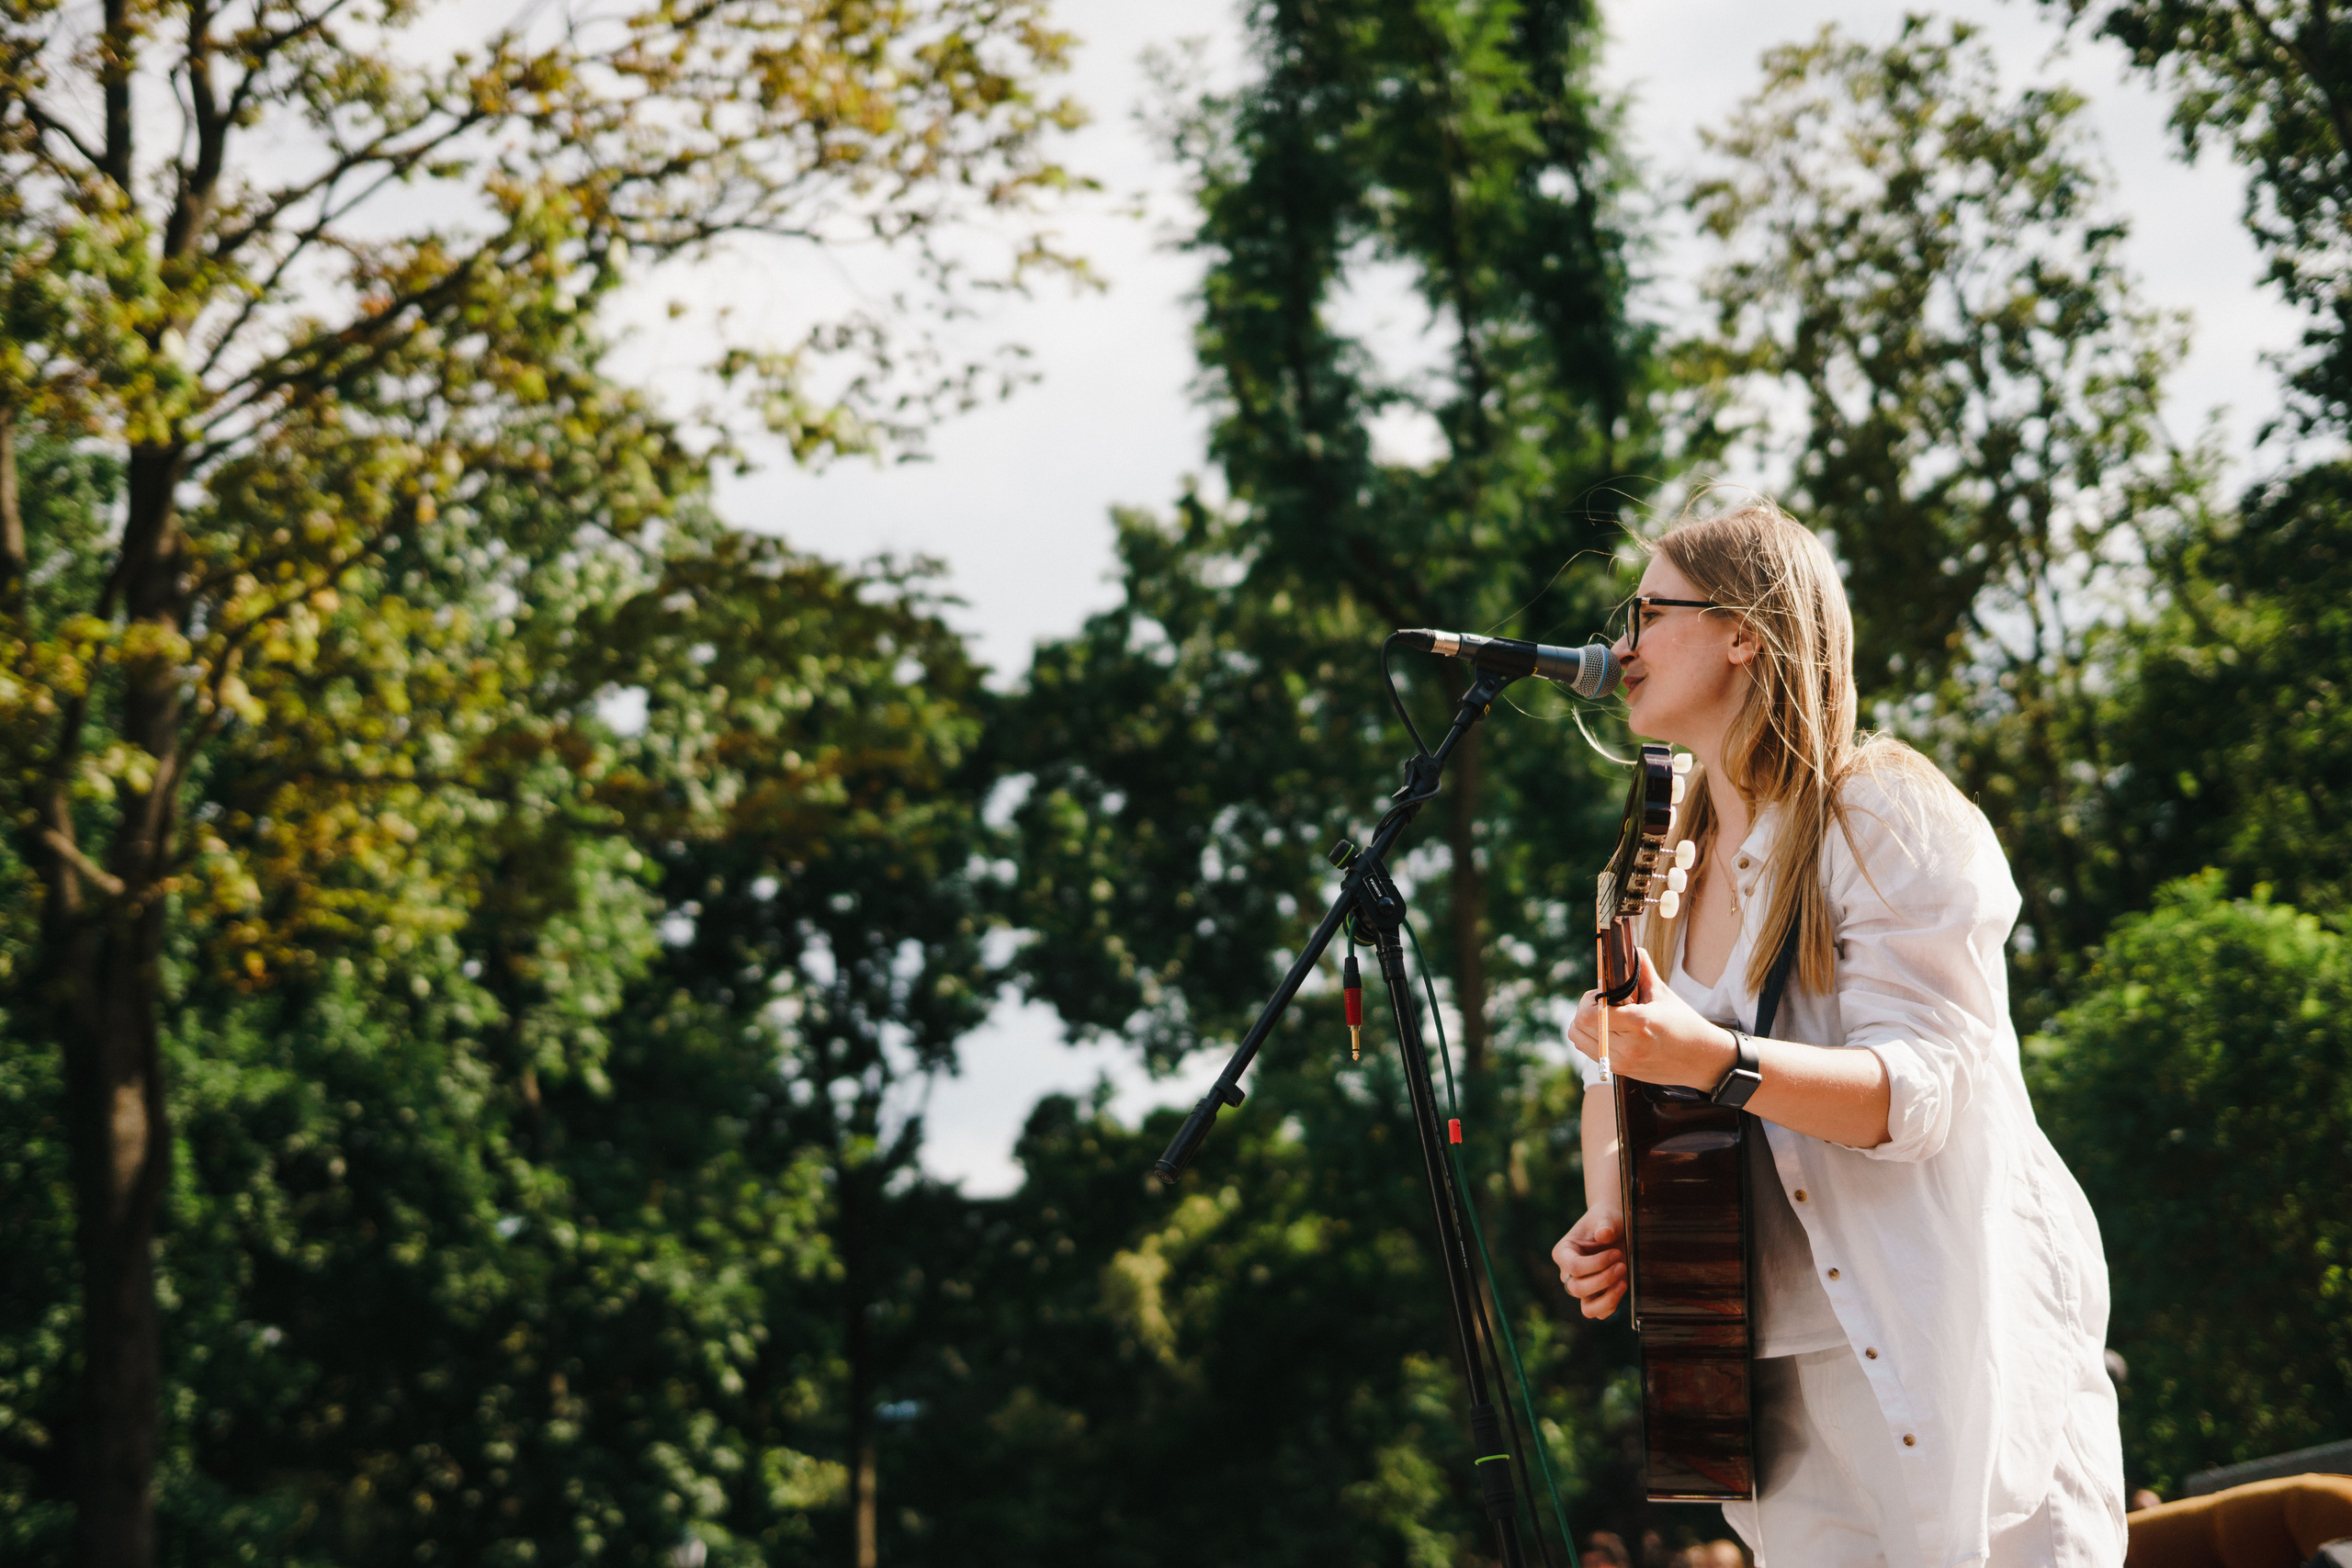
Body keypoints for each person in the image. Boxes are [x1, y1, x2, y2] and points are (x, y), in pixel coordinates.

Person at [1550, 501, 2127, 1568]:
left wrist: (1712, 1060)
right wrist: (1607, 1214)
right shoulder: (1654, 860)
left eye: (1646, 610)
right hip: (1765, 1382)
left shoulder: (1880, 814)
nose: (1618, 645)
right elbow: (1610, 1071)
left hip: (1945, 1356)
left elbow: (1918, 1097)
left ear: (1742, 631)